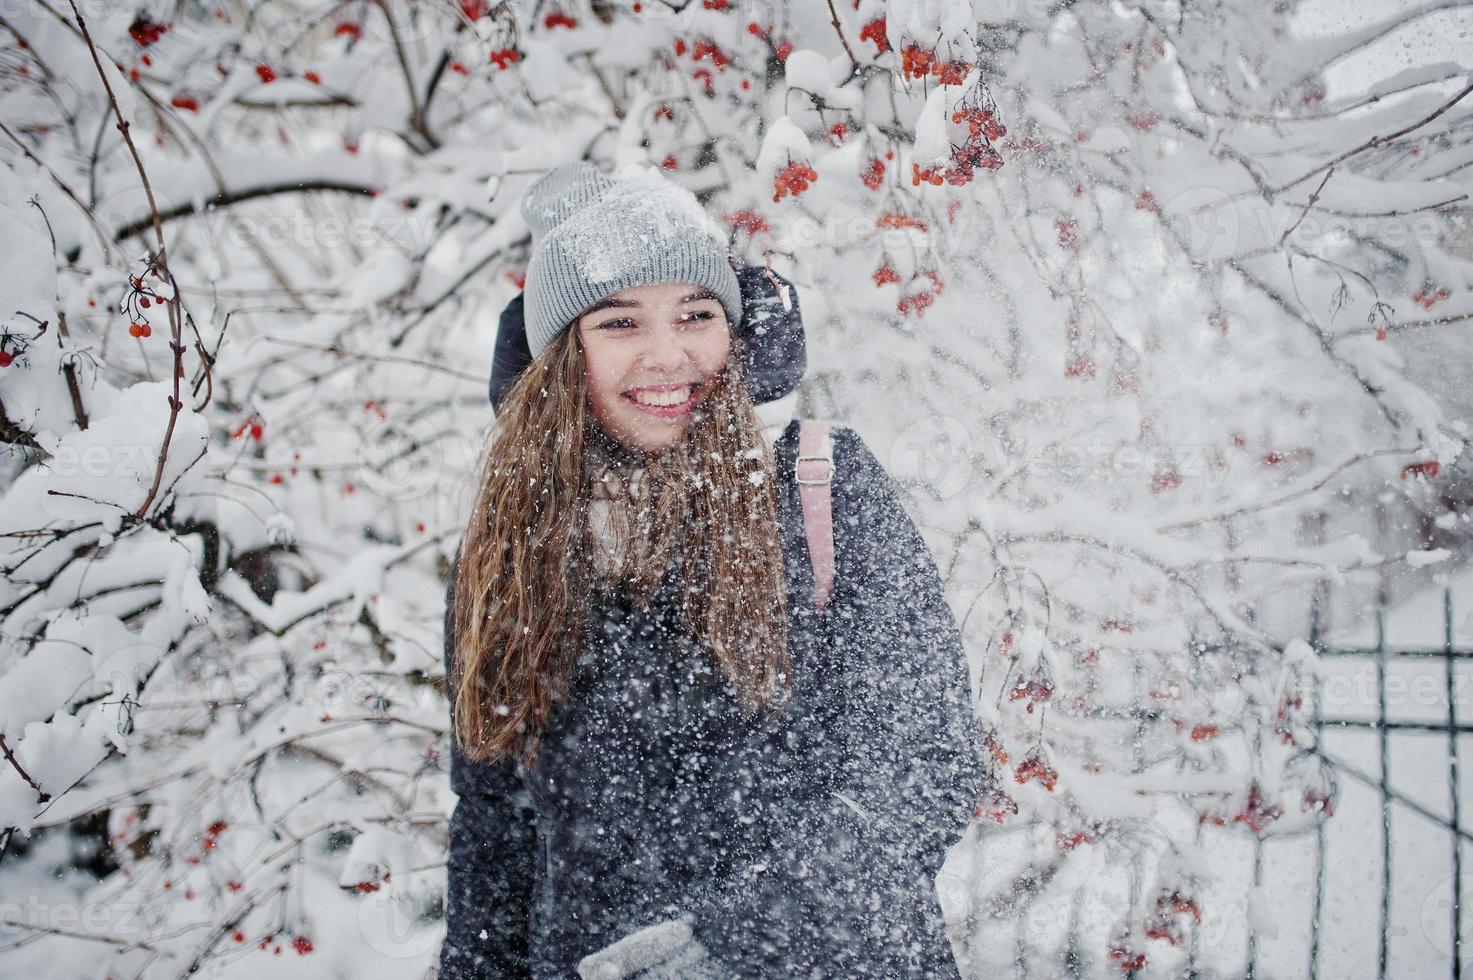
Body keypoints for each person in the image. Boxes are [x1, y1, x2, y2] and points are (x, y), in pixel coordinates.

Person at [438, 159, 987, 979]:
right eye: (619, 324)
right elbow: (494, 831)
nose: (668, 357)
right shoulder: (514, 540)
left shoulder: (821, 489)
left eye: (695, 315)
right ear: (561, 357)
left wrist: (735, 938)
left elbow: (927, 762)